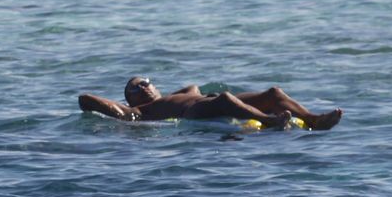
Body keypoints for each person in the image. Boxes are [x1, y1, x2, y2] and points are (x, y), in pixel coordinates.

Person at [78, 77, 344, 130]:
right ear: (130, 99)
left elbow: (193, 87)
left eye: (146, 81)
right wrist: (120, 109)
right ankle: (270, 121)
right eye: (136, 87)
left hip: (205, 100)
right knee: (226, 99)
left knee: (273, 92)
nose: (144, 86)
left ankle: (313, 120)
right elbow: (85, 99)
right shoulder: (139, 111)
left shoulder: (183, 89)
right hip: (189, 113)